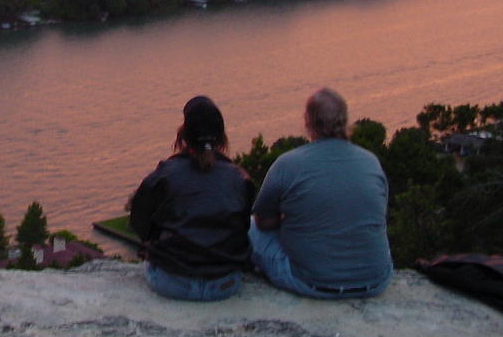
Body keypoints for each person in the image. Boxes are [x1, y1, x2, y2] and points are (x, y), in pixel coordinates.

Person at [250, 87, 393, 299]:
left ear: (307, 121)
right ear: (345, 121)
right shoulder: (371, 162)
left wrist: (291, 221)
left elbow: (263, 222)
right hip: (375, 280)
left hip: (312, 282)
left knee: (250, 225)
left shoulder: (288, 164)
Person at [129, 95, 255, 301]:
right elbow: (242, 228)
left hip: (172, 283)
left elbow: (139, 223)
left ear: (183, 136)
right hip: (225, 284)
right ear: (222, 138)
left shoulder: (165, 174)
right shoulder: (240, 178)